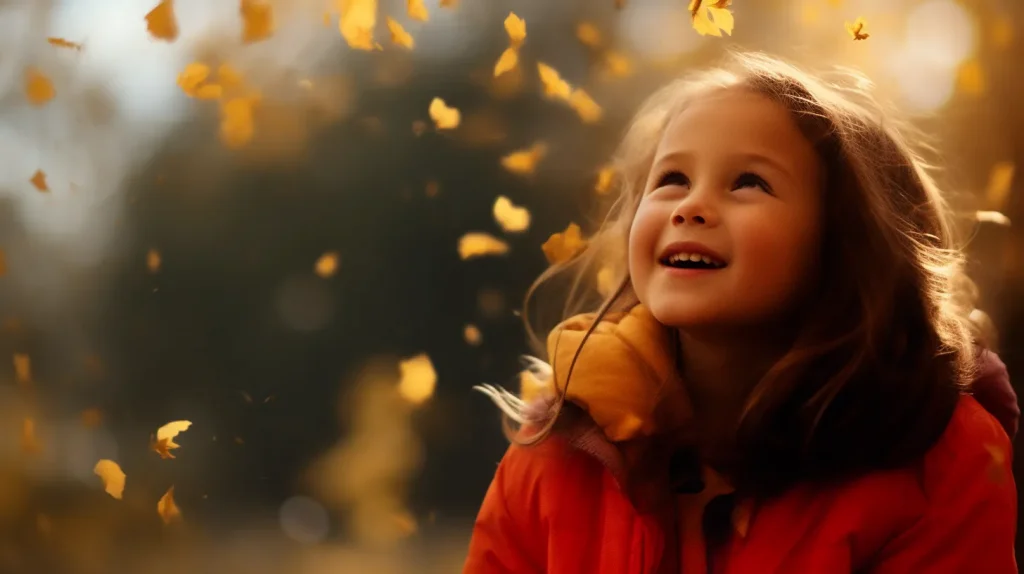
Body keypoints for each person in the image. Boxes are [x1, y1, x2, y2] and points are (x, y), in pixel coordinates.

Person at [464, 52, 1018, 573]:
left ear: (844, 244)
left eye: (749, 182)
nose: (691, 207)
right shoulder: (554, 456)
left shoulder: (939, 460)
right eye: (672, 180)